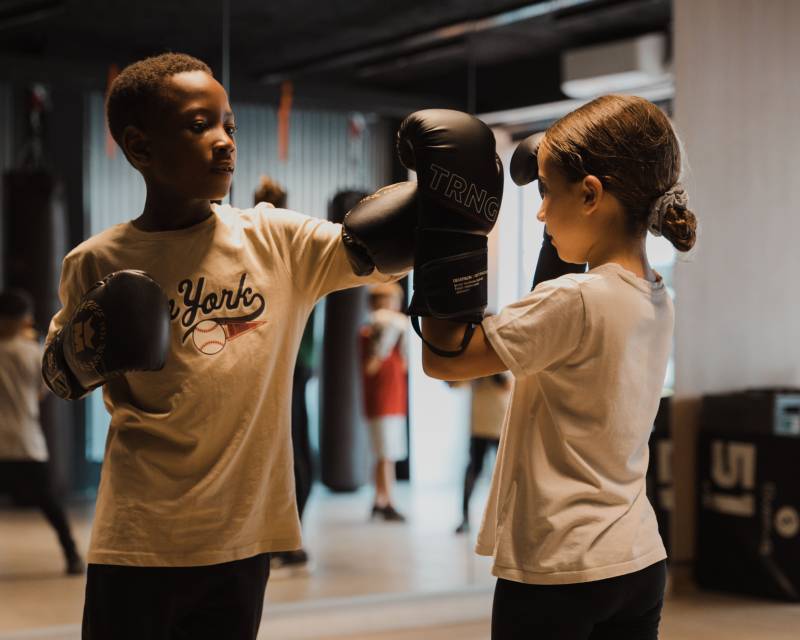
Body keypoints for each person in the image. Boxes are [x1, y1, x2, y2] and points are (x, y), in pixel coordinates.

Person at [40, 53, 426, 639]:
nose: (225, 142)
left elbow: (379, 251)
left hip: (240, 539)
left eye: (230, 126)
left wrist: (442, 197)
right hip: (137, 538)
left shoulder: (277, 239)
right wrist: (85, 346)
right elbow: (60, 376)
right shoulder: (96, 260)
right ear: (141, 148)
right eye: (200, 126)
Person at [414, 95, 698, 639]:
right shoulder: (657, 297)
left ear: (590, 194)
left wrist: (447, 225)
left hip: (559, 567)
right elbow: (549, 316)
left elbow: (443, 359)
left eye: (546, 194)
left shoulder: (575, 300)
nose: (541, 212)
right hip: (637, 559)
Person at [0, 289, 84, 575]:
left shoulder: (27, 350)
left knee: (50, 502)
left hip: (19, 440)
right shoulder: (33, 351)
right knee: (50, 503)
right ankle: (72, 555)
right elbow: (43, 392)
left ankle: (72, 555)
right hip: (25, 441)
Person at [253, 176, 313, 577]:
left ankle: (282, 540)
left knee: (288, 459)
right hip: (288, 364)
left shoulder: (268, 243)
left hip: (281, 364)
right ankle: (281, 540)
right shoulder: (295, 243)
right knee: (295, 458)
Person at [359, 282, 408, 522]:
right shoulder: (369, 333)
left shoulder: (398, 335)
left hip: (395, 400)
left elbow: (405, 367)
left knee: (387, 453)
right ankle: (386, 501)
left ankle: (380, 500)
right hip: (380, 401)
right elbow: (370, 368)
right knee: (384, 454)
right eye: (387, 302)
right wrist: (382, 344)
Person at [450, 372, 511, 535]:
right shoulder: (476, 360)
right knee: (473, 471)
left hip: (502, 425)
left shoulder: (504, 357)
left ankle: (509, 520)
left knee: (507, 474)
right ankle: (464, 518)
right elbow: (454, 383)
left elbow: (510, 385)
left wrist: (495, 374)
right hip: (480, 426)